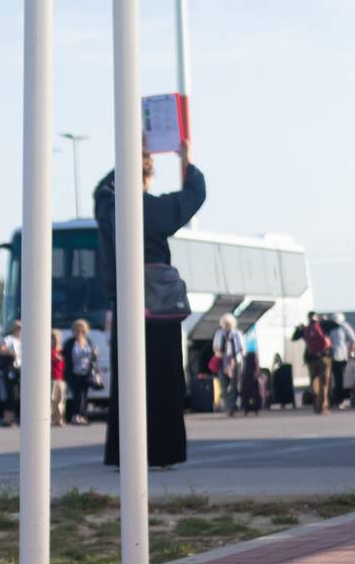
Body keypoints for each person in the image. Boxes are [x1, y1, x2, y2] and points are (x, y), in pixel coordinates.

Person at [95, 141, 206, 468]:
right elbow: (195, 195)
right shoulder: (153, 209)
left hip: (126, 303)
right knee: (164, 377)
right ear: (147, 177)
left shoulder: (110, 207)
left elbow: (102, 190)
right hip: (159, 306)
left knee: (127, 379)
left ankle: (124, 452)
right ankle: (163, 451)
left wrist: (128, 155)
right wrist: (187, 161)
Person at [61, 318, 98, 425]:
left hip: (86, 372)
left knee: (84, 395)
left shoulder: (88, 341)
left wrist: (95, 354)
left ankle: (82, 416)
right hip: (73, 373)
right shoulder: (70, 342)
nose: (79, 331)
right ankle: (75, 416)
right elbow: (65, 355)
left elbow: (92, 356)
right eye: (77, 329)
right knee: (77, 395)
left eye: (81, 329)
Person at [212, 313, 245, 417]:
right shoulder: (219, 333)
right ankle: (228, 407)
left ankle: (231, 407)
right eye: (225, 324)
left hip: (235, 362)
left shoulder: (237, 334)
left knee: (234, 385)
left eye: (229, 324)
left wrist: (234, 358)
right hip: (222, 362)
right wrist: (221, 354)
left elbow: (242, 348)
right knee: (223, 386)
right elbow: (215, 347)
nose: (227, 326)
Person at [302, 313, 334, 415]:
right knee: (324, 384)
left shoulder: (306, 329)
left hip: (310, 359)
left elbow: (294, 337)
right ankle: (323, 406)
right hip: (324, 358)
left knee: (314, 383)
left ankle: (316, 406)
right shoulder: (324, 326)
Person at [331, 315, 355, 411]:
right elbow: (353, 340)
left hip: (339, 357)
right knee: (337, 380)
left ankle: (338, 401)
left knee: (339, 380)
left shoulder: (342, 327)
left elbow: (353, 341)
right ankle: (337, 401)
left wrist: (350, 353)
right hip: (336, 357)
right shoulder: (342, 327)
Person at [0, 320, 22, 426]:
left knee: (17, 395)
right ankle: (7, 418)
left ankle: (13, 417)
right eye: (18, 328)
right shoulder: (8, 339)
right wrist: (10, 353)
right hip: (10, 370)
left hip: (20, 370)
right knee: (10, 394)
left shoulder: (22, 340)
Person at [240, 343, 264, 416]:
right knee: (250, 392)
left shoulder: (250, 351)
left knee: (251, 392)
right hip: (248, 374)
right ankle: (249, 408)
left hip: (249, 374)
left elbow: (255, 362)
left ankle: (251, 408)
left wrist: (257, 371)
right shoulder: (251, 352)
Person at [50, 329, 67, 426]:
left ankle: (59, 419)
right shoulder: (50, 350)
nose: (56, 340)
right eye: (54, 337)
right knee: (52, 399)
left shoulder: (61, 350)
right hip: (52, 378)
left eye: (58, 337)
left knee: (61, 400)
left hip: (60, 378)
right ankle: (50, 418)